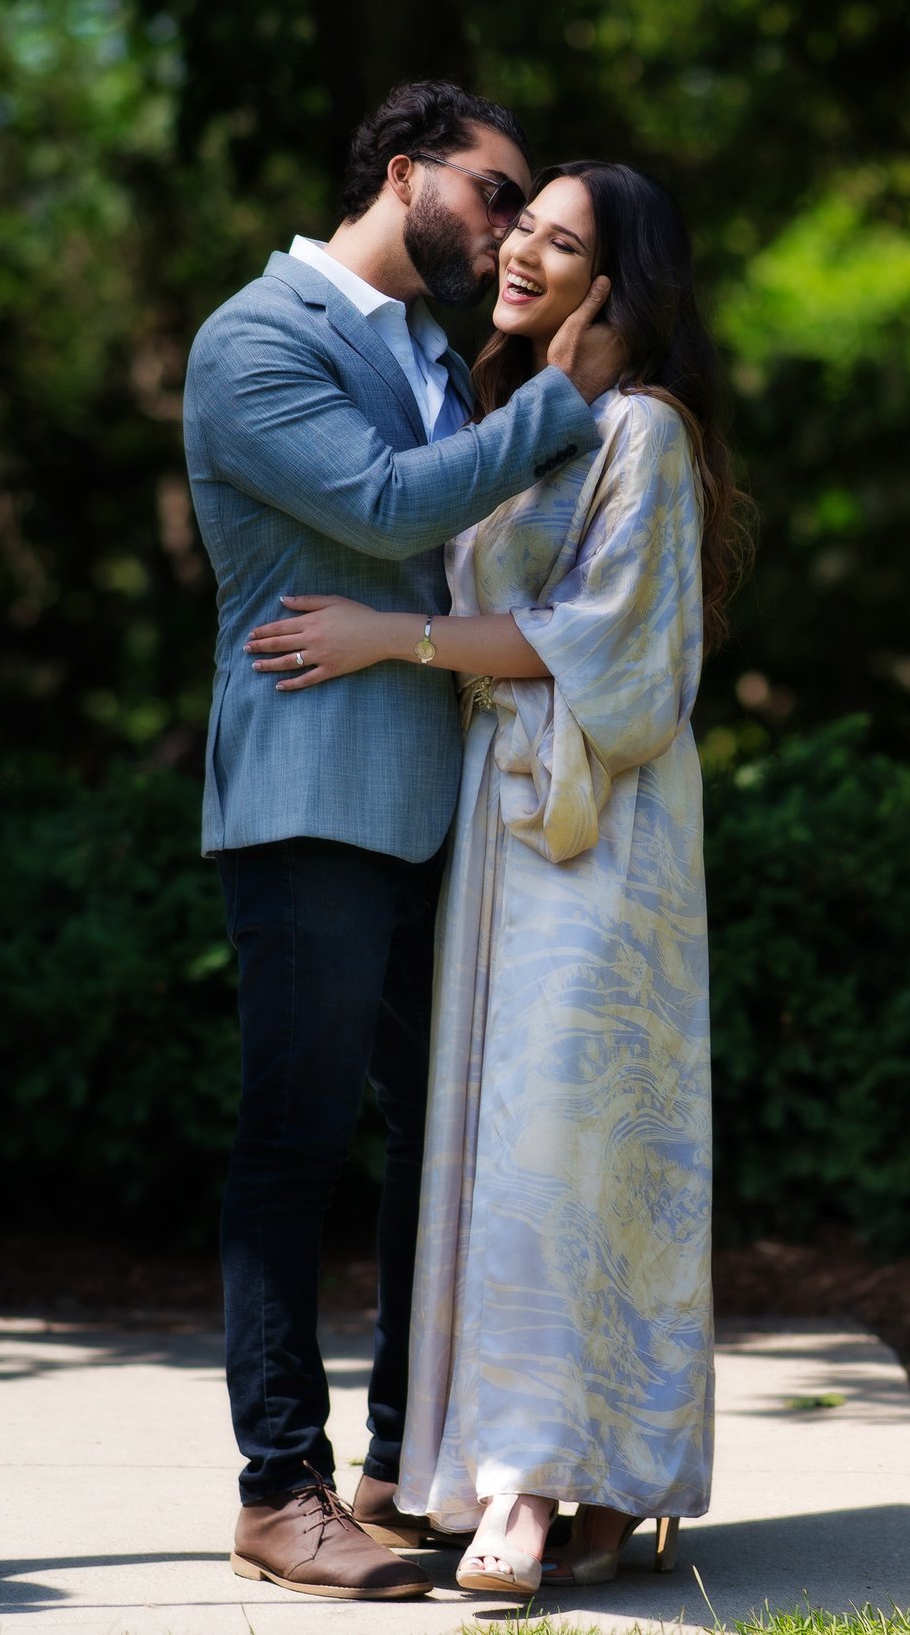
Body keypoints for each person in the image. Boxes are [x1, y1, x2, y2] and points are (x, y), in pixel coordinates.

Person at [242, 160, 745, 1598]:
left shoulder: (639, 429)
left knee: (559, 1143)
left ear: (617, 282)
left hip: (601, 827)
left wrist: (381, 640)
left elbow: (609, 651)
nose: (521, 249)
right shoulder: (518, 419)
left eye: (561, 240)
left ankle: (527, 1489)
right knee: (491, 1142)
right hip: (500, 820)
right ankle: (555, 1474)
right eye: (522, 222)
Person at [182, 79, 624, 1602]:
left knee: (445, 1140)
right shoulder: (256, 342)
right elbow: (379, 509)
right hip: (308, 798)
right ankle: (277, 1487)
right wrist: (566, 400)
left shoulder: (442, 356)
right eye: (496, 194)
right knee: (294, 1142)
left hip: (449, 818)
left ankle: (400, 1461)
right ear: (403, 169)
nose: (508, 231)